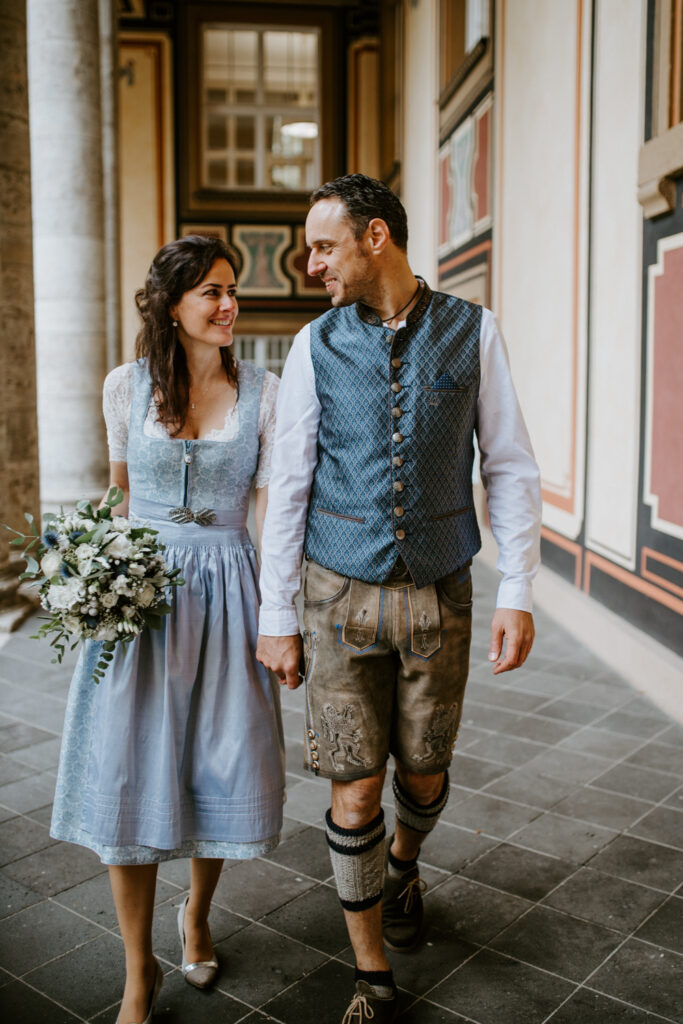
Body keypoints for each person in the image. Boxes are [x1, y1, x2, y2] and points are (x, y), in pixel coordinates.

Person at [256, 174, 541, 1023]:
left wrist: (517, 588)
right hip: (335, 597)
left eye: (323, 246)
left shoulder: (473, 330)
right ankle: (371, 973)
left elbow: (509, 464)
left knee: (422, 772)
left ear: (374, 236)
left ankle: (405, 865)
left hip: (439, 593)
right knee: (352, 787)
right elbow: (289, 484)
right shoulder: (313, 344)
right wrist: (276, 615)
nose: (311, 264)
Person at [51, 235, 285, 1024]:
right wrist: (86, 567)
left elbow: (265, 511)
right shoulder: (124, 387)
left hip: (230, 590)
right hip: (141, 600)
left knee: (220, 762)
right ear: (171, 304)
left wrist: (278, 614)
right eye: (212, 292)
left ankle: (198, 915)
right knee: (127, 771)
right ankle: (136, 968)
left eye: (232, 290)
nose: (229, 305)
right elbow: (118, 497)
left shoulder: (264, 392)